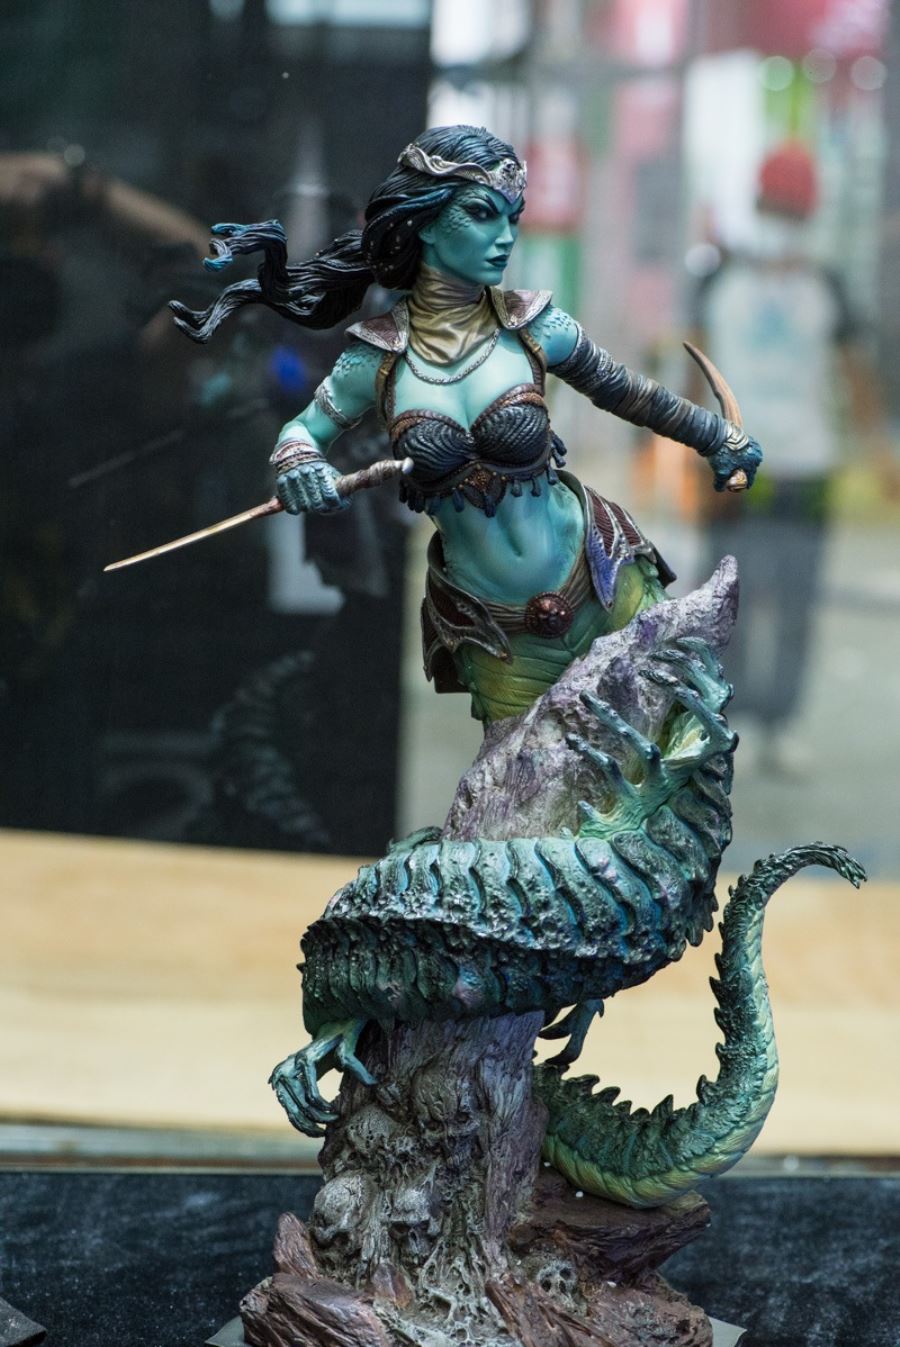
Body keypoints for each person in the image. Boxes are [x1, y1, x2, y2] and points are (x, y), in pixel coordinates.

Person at [172, 124, 762, 725]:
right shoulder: (377, 357)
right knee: (525, 775)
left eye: (513, 217)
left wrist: (718, 437)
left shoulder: (535, 327)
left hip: (605, 577)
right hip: (493, 629)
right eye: (482, 214)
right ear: (425, 221)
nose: (504, 237)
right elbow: (303, 431)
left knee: (666, 739)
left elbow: (632, 394)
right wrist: (299, 465)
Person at [694, 140, 896, 771]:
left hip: (807, 469)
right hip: (733, 467)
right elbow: (694, 367)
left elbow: (857, 374)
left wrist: (880, 452)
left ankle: (779, 725)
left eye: (791, 209)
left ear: (809, 215)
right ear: (756, 204)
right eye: (773, 206)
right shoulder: (718, 279)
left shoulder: (826, 286)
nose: (781, 220)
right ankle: (722, 722)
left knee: (794, 604)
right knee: (726, 601)